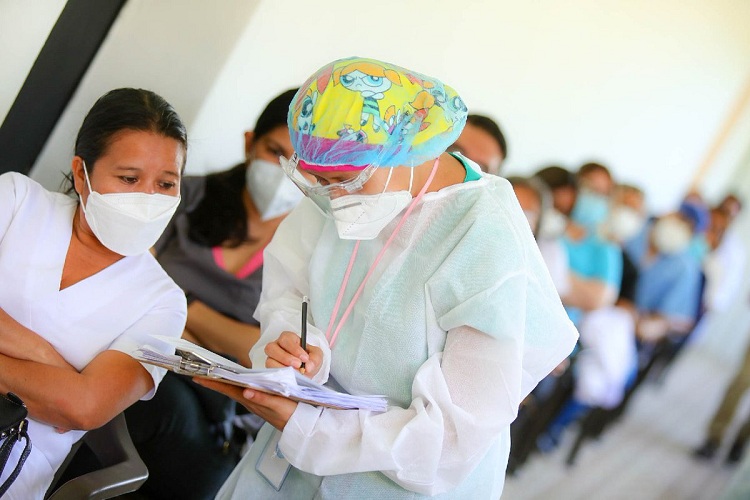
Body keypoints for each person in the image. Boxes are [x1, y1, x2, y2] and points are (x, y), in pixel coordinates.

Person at [197, 56, 578, 499]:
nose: (331, 196)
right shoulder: (341, 182)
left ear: (407, 150)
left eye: (342, 181)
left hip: (398, 481)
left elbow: (455, 436)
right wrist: (297, 343)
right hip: (284, 466)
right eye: (317, 181)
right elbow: (290, 287)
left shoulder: (483, 237)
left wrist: (312, 430)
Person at [0, 88, 188, 498]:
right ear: (82, 174)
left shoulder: (164, 302)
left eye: (166, 183)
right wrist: (50, 362)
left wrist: (73, 393)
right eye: (128, 178)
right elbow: (70, 395)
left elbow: (84, 408)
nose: (148, 198)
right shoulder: (15, 200)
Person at [123, 88, 299, 499]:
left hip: (219, 411)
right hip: (138, 356)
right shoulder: (183, 196)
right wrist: (213, 342)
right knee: (149, 399)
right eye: (274, 151)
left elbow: (263, 349)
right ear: (249, 141)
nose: (284, 172)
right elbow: (127, 277)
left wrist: (181, 307)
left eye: (301, 166)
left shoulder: (307, 252)